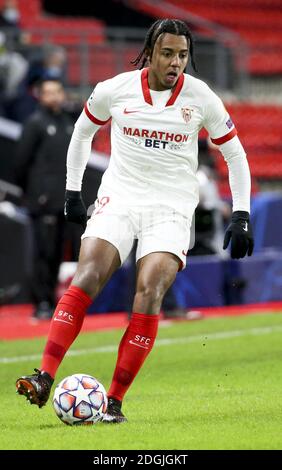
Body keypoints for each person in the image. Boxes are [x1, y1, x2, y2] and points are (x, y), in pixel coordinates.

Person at [16, 19, 254, 423]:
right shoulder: (116, 89)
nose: (176, 62)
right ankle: (44, 377)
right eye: (167, 53)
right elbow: (81, 133)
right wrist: (73, 192)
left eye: (182, 55)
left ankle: (113, 401)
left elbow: (235, 155)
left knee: (150, 290)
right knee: (87, 275)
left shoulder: (201, 98)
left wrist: (242, 213)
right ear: (150, 51)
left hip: (171, 208)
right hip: (121, 197)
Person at [14, 78, 75, 319]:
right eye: (48, 92)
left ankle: (51, 298)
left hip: (63, 200)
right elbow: (19, 163)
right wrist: (33, 193)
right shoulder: (34, 124)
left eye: (57, 91)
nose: (53, 96)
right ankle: (41, 301)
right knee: (43, 252)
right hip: (42, 200)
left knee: (59, 252)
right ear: (39, 96)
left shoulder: (67, 123)